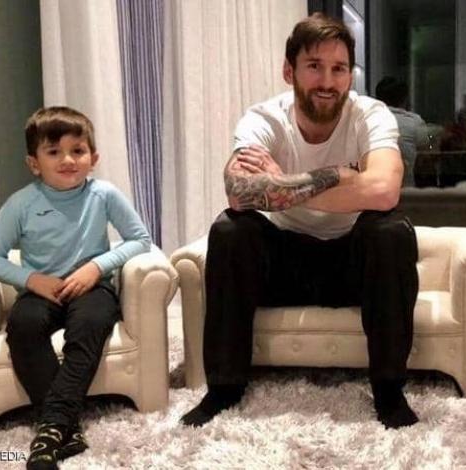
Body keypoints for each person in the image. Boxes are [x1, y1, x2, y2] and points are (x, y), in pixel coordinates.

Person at [180, 13, 420, 430]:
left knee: (390, 230)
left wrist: (283, 184)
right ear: (289, 71)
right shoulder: (263, 119)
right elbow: (238, 191)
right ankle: (224, 387)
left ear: (350, 75)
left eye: (339, 68)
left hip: (353, 265)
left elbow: (384, 190)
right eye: (314, 66)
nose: (327, 81)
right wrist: (340, 176)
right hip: (283, 264)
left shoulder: (370, 114)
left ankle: (388, 391)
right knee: (230, 228)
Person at [0, 106, 151, 469]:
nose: (68, 160)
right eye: (54, 152)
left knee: (89, 325)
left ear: (93, 158)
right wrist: (32, 280)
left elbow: (140, 240)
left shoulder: (104, 194)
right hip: (41, 291)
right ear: (34, 163)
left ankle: (52, 427)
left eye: (78, 150)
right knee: (23, 326)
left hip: (93, 290)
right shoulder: (22, 203)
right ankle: (67, 430)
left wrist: (95, 267)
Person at [375, 76, 426, 186]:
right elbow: (426, 156)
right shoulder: (415, 122)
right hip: (406, 191)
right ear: (405, 99)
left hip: (372, 191)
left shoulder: (366, 121)